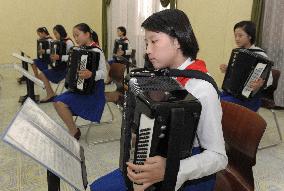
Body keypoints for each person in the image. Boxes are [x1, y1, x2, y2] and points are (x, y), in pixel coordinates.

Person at [90, 9, 227, 191]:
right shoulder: (163, 75)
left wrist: (170, 169)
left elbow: (218, 157)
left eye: (154, 41)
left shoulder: (202, 88)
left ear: (177, 41)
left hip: (188, 171)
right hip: (160, 157)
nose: (148, 51)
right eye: (147, 43)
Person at [53, 23, 106, 140]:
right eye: (74, 36)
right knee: (56, 101)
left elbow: (104, 73)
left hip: (94, 92)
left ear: (87, 34)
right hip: (81, 88)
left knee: (60, 104)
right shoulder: (79, 50)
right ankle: (74, 129)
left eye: (77, 35)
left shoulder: (97, 51)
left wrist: (92, 74)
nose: (75, 39)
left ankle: (74, 132)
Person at [219, 21, 273, 112]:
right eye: (235, 36)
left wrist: (260, 84)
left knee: (219, 102)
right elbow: (238, 73)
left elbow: (270, 78)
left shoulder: (261, 55)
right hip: (234, 93)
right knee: (212, 97)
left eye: (240, 36)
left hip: (250, 99)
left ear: (250, 36)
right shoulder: (238, 52)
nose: (237, 38)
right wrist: (228, 69)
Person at [38, 24, 74, 103]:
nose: (55, 36)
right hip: (59, 67)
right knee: (42, 74)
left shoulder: (69, 42)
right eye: (54, 34)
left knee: (43, 74)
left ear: (61, 32)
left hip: (65, 69)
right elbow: (53, 50)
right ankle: (51, 93)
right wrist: (45, 51)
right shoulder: (59, 42)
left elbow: (72, 57)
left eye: (56, 33)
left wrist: (59, 57)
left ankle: (50, 94)